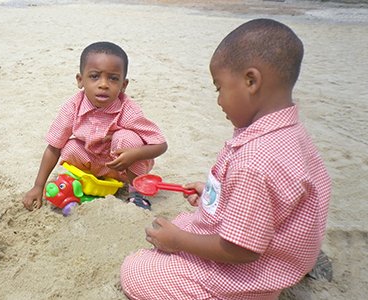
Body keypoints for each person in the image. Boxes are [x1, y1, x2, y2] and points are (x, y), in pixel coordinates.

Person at [120, 19, 331, 299]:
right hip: (288, 248)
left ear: (251, 81)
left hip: (254, 270)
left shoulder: (256, 161)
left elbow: (240, 250)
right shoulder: (290, 133)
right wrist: (215, 195)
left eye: (219, 87)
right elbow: (277, 197)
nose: (219, 100)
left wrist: (179, 242)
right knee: (184, 220)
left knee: (136, 269)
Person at [22, 41, 167, 211]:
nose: (103, 84)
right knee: (69, 146)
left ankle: (136, 194)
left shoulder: (127, 110)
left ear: (123, 85)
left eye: (113, 78)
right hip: (91, 164)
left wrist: (134, 155)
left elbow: (160, 144)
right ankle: (85, 184)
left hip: (120, 168)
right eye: (94, 76)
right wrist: (38, 186)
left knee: (126, 138)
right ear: (80, 80)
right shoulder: (73, 106)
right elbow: (53, 147)